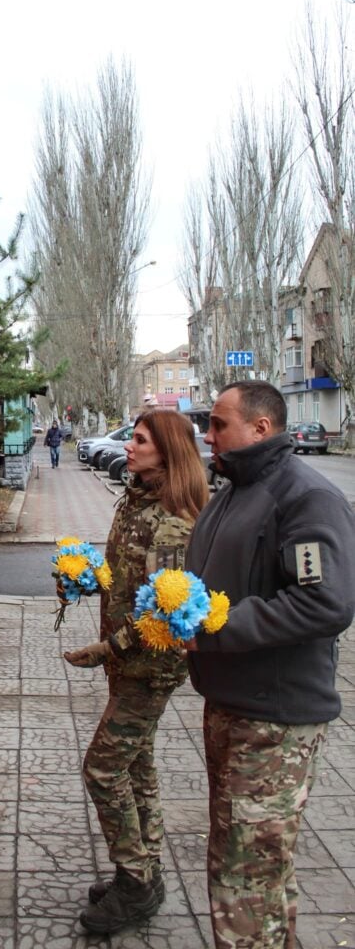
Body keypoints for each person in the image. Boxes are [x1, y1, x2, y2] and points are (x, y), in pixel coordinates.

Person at [185, 381, 355, 949]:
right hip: (232, 703)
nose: (207, 435)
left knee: (243, 879)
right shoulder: (234, 490)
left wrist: (215, 627)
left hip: (274, 720)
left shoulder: (305, 496)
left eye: (217, 424)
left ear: (261, 428)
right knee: (258, 870)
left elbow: (324, 602)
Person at [63, 409, 209, 935]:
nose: (129, 445)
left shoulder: (172, 517)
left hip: (150, 665)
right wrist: (86, 577)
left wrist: (106, 649)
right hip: (129, 661)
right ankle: (145, 872)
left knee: (102, 769)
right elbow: (127, 580)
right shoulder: (137, 498)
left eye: (140, 440)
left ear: (166, 452)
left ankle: (136, 881)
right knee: (137, 767)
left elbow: (164, 612)